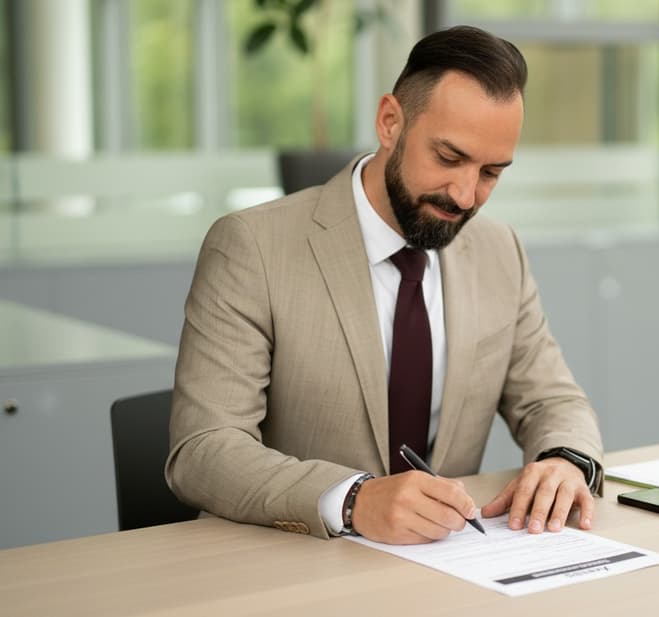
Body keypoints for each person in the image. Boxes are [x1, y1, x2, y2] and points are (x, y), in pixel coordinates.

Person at [166, 25, 603, 545]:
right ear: (390, 122)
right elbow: (202, 450)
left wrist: (564, 462)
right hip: (291, 566)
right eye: (448, 158)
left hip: (447, 567)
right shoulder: (252, 247)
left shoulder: (498, 251)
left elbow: (552, 401)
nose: (466, 195)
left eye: (491, 172)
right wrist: (351, 499)